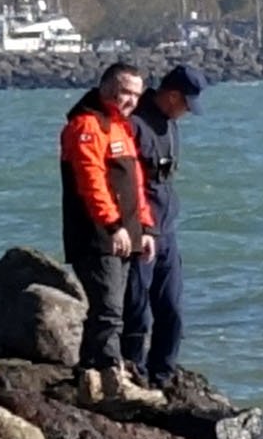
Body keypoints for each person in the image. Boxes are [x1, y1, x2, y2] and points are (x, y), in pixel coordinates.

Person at [59, 62, 157, 403]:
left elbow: (136, 184)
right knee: (108, 308)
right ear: (106, 87)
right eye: (125, 91)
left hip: (128, 235)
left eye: (136, 94)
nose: (131, 100)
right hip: (97, 235)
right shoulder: (86, 124)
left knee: (115, 308)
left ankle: (91, 376)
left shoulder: (122, 127)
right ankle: (109, 373)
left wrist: (145, 228)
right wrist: (112, 225)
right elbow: (91, 182)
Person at [121, 64, 201, 391]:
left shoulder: (170, 125)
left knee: (172, 311)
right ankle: (132, 371)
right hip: (143, 229)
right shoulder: (135, 124)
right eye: (185, 104)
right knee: (137, 310)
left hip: (167, 230)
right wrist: (138, 228)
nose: (186, 112)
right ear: (171, 96)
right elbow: (126, 182)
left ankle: (163, 376)